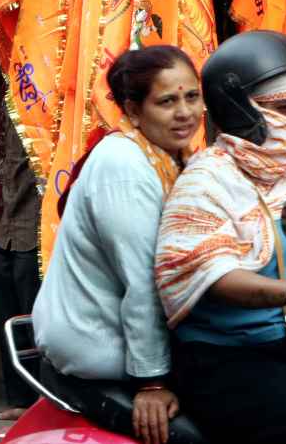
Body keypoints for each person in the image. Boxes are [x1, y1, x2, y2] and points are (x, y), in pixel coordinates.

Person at [155, 30, 286, 444]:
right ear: (237, 110)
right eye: (284, 107)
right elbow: (214, 277)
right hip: (232, 358)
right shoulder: (207, 181)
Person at [33, 46, 204, 444]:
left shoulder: (177, 156)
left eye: (192, 97)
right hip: (99, 354)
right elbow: (144, 280)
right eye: (167, 102)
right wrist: (151, 383)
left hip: (139, 347)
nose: (185, 113)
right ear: (133, 109)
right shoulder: (124, 164)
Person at [0, 106, 42, 421]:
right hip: (9, 229)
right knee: (9, 319)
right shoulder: (14, 106)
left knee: (35, 320)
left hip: (34, 230)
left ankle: (41, 397)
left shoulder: (47, 112)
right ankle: (20, 398)